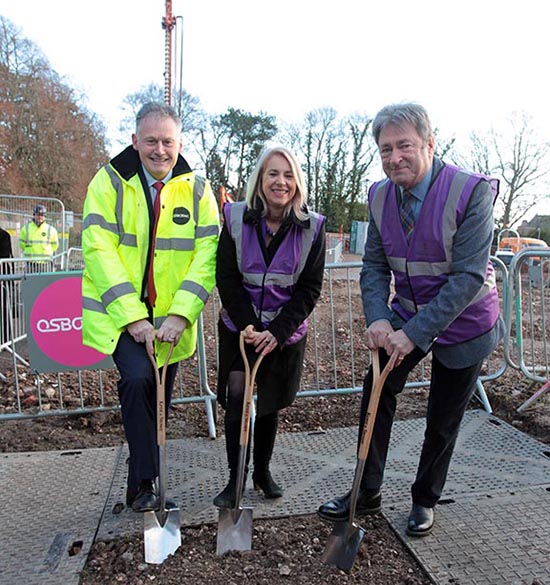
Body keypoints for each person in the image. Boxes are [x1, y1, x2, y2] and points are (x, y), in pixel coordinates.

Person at [317, 102, 504, 536]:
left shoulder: (471, 191)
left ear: (430, 144)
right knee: (376, 392)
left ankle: (425, 500)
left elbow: (468, 276)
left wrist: (413, 334)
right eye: (385, 149)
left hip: (466, 318)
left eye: (404, 146)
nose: (394, 158)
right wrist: (380, 318)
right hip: (408, 312)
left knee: (443, 416)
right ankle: (366, 491)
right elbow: (375, 265)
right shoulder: (379, 194)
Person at [81, 102, 220, 512]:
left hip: (173, 321)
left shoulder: (198, 189)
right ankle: (148, 480)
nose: (160, 151)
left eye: (168, 142)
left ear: (179, 143)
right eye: (151, 141)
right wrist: (133, 318)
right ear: (134, 141)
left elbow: (207, 252)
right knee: (138, 381)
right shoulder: (107, 183)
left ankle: (138, 483)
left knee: (160, 401)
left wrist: (181, 314)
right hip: (123, 318)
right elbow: (99, 251)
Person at [214, 145, 326, 507]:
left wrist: (276, 333)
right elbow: (227, 276)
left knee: (269, 404)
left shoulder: (313, 228)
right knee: (236, 398)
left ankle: (261, 471)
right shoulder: (234, 218)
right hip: (240, 328)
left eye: (289, 175)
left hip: (283, 332)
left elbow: (310, 288)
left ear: (298, 182)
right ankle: (235, 479)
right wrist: (248, 324)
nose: (281, 182)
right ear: (260, 180)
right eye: (273, 174)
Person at [19, 204, 59, 269]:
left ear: (45, 216)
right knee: (30, 279)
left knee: (46, 279)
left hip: (46, 263)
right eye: (38, 214)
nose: (40, 217)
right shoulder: (25, 228)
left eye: (42, 215)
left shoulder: (51, 230)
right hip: (30, 263)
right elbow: (22, 245)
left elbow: (55, 246)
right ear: (34, 215)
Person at [0, 227, 13, 344]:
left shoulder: (4, 235)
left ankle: (4, 339)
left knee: (3, 307)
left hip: (2, 276)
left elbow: (5, 255)